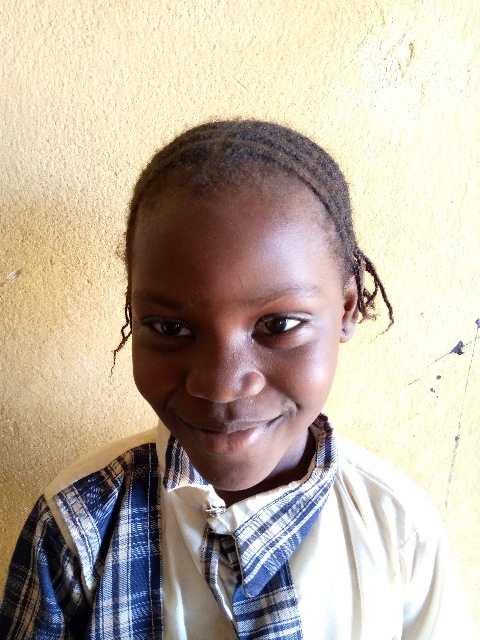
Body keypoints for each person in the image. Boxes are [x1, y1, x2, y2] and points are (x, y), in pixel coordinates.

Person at [0, 120, 476, 640]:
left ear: (346, 309)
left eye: (278, 325)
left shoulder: (399, 531)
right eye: (171, 328)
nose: (222, 386)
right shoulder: (77, 527)